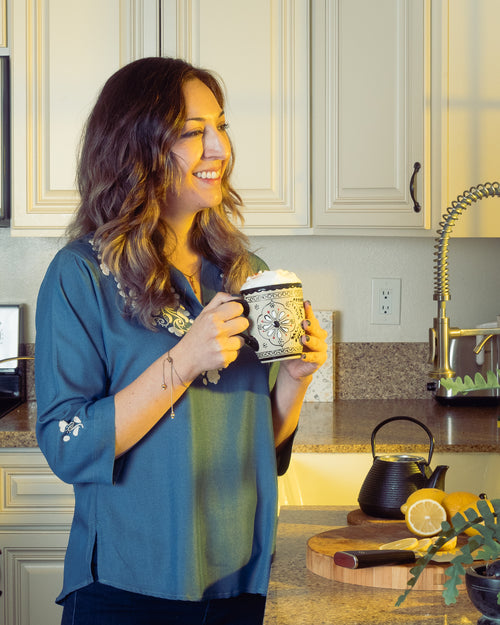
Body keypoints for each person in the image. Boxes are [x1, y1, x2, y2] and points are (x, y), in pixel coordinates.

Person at [35, 56, 328, 625]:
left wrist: (294, 382)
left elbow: (255, 445)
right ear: (134, 147)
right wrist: (184, 360)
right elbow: (67, 444)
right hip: (128, 583)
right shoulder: (80, 275)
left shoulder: (246, 273)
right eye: (195, 133)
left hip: (236, 577)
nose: (219, 148)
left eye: (220, 127)